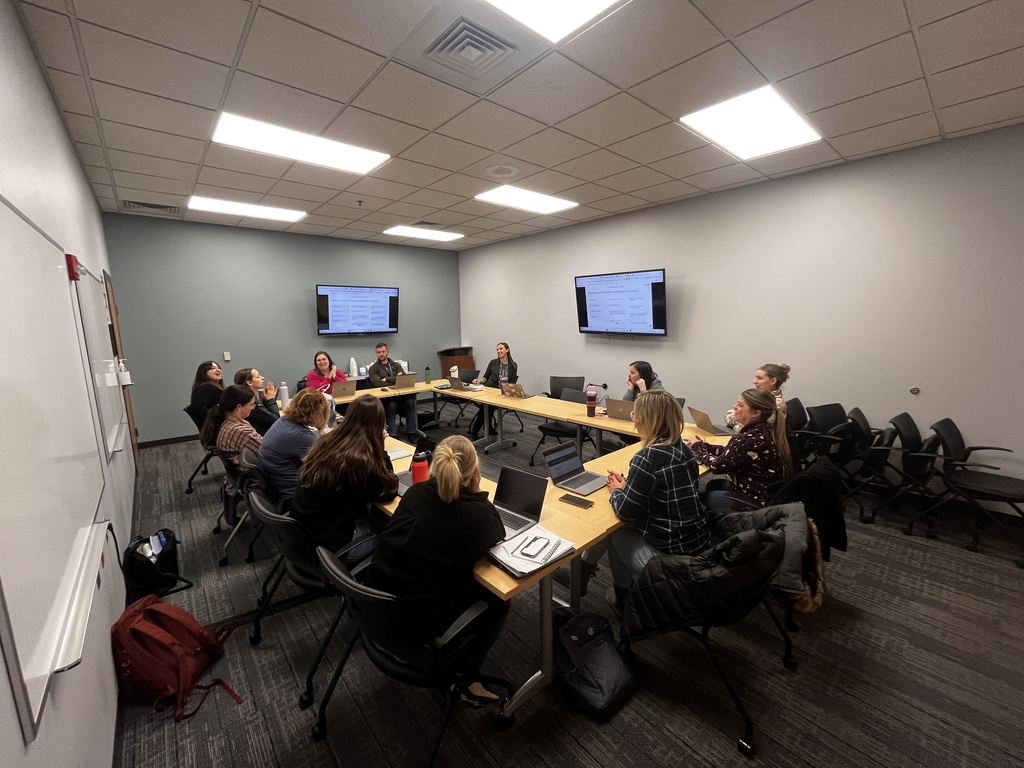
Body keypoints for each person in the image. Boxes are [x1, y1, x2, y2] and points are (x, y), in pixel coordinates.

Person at [365, 435, 508, 707]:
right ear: (475, 472)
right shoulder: (474, 516)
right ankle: (463, 674)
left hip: (376, 609)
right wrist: (478, 493)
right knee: (499, 601)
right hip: (414, 629)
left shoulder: (417, 492)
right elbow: (497, 529)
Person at [603, 390, 709, 611]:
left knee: (613, 532)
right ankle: (585, 566)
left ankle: (622, 599)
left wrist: (617, 490)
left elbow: (624, 511)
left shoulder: (647, 457)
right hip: (697, 543)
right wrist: (629, 487)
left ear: (646, 419)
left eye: (636, 414)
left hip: (671, 558)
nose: (634, 420)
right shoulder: (683, 449)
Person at [289, 395, 396, 556]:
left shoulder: (327, 441)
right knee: (397, 534)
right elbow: (388, 491)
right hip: (331, 544)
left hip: (304, 532)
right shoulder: (359, 459)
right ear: (379, 424)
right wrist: (380, 448)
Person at [688, 388, 793, 508]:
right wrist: (705, 446)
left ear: (756, 413)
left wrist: (698, 447)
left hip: (755, 499)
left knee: (697, 502)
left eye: (740, 405)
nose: (734, 407)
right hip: (763, 492)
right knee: (713, 485)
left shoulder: (749, 439)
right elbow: (732, 454)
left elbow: (716, 466)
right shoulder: (764, 429)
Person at [257, 388, 331, 499]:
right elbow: (324, 470)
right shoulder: (302, 437)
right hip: (294, 493)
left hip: (277, 484)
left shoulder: (283, 421)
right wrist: (324, 428)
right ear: (319, 413)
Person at [367, 342, 420, 440]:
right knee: (392, 404)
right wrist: (396, 379)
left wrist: (387, 379)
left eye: (383, 351)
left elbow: (404, 379)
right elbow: (378, 383)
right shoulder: (373, 368)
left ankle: (412, 432)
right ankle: (393, 434)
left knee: (409, 402)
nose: (381, 354)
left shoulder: (396, 365)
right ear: (376, 353)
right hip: (386, 397)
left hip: (401, 395)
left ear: (387, 352)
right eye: (379, 352)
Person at [199, 384, 262, 465]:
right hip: (253, 471)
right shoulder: (242, 431)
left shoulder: (223, 420)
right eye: (251, 404)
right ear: (239, 407)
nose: (253, 407)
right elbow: (267, 452)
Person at [469, 342, 518, 440]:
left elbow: (512, 383)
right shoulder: (493, 363)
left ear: (507, 350)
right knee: (487, 407)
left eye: (501, 349)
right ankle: (478, 429)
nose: (499, 351)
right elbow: (486, 377)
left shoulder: (513, 366)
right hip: (490, 389)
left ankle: (486, 428)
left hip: (504, 392)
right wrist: (479, 381)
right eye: (497, 350)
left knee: (488, 408)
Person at [725, 362, 791, 430]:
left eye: (760, 378)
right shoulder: (757, 397)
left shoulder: (774, 404)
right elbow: (729, 417)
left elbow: (745, 424)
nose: (755, 382)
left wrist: (738, 417)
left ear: (773, 381)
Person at [233, 367, 279, 436]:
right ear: (249, 383)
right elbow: (275, 421)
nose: (262, 378)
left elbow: (265, 416)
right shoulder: (248, 402)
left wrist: (265, 400)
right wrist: (271, 400)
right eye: (258, 377)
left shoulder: (243, 397)